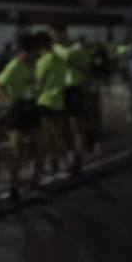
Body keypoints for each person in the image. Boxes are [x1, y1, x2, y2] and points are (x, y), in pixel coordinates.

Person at [0, 34, 43, 200]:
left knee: (39, 148)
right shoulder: (15, 65)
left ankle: (36, 185)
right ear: (31, 50)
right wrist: (9, 102)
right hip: (19, 109)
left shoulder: (35, 65)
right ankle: (14, 189)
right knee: (16, 151)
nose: (40, 53)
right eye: (37, 50)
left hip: (33, 107)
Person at [51, 24, 90, 173]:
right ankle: (63, 158)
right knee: (59, 128)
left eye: (56, 34)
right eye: (52, 35)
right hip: (59, 90)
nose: (54, 37)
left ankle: (77, 161)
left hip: (74, 90)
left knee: (76, 127)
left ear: (64, 32)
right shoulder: (53, 48)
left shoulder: (76, 48)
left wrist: (85, 87)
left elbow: (84, 67)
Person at [34, 31, 72, 175]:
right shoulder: (60, 60)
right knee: (59, 134)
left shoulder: (42, 61)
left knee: (48, 136)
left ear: (40, 46)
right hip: (59, 101)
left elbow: (39, 84)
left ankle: (59, 162)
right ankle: (62, 161)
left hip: (45, 102)